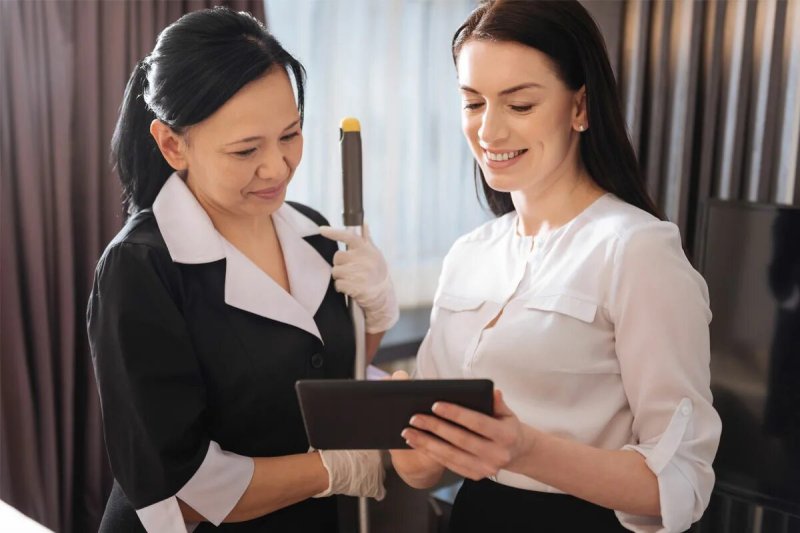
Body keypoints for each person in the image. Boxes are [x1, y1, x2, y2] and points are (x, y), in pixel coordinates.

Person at [382, 1, 722, 531]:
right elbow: (422, 471)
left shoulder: (637, 250)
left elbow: (681, 485)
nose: (489, 133)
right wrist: (402, 428)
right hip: (473, 516)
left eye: (519, 105)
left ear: (580, 107)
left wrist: (525, 451)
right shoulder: (469, 254)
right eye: (473, 103)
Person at [87, 7, 397, 532]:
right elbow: (178, 490)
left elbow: (312, 378)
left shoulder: (315, 234)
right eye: (246, 149)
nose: (276, 168)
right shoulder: (141, 268)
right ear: (172, 144)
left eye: (290, 135)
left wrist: (378, 315)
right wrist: (334, 469)